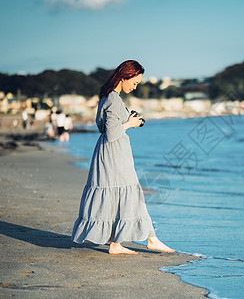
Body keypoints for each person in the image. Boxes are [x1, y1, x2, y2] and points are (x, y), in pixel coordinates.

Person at [71, 60, 174, 255]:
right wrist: (129, 124)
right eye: (134, 83)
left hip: (107, 154)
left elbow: (102, 128)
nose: (135, 87)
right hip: (114, 155)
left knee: (114, 196)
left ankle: (116, 244)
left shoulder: (105, 97)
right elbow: (111, 133)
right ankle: (151, 239)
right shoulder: (114, 99)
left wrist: (127, 122)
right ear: (124, 76)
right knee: (132, 194)